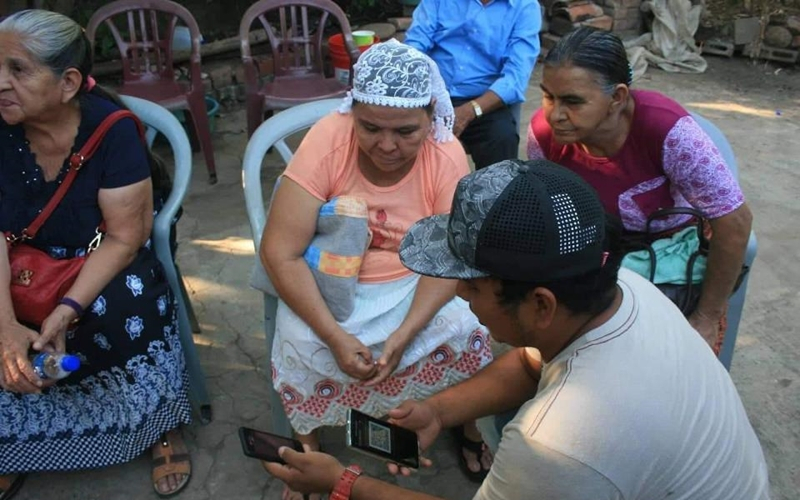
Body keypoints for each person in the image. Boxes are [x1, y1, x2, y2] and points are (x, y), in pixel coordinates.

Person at [263, 159, 771, 500]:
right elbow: (532, 364)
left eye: (473, 286)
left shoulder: (557, 441)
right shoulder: (626, 292)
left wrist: (345, 482)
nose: (460, 296)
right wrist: (438, 410)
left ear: (541, 304)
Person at [259, 39, 494, 498]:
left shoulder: (445, 153)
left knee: (469, 330)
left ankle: (465, 425)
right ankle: (306, 451)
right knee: (299, 343)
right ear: (353, 114)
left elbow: (450, 258)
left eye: (406, 131)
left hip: (417, 279)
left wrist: (404, 333)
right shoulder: (330, 138)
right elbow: (280, 251)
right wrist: (334, 335)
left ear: (431, 118)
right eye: (370, 128)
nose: (387, 146)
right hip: (332, 277)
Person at [0, 10, 192, 499]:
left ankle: (158, 424)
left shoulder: (112, 132)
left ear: (67, 83)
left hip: (98, 257)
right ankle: (18, 436)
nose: (1, 83)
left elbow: (127, 237)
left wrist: (67, 309)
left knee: (121, 306)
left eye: (17, 70)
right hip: (19, 259)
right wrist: (4, 325)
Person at [527, 27, 753, 353]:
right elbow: (547, 207)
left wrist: (706, 316)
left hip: (667, 251)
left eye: (572, 101)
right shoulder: (544, 133)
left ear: (617, 98)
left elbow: (736, 222)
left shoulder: (667, 131)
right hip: (591, 247)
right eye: (548, 95)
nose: (555, 114)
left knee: (650, 353)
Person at [404, 0, 541, 169]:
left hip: (484, 101)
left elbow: (516, 77)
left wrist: (470, 110)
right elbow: (414, 48)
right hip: (431, 93)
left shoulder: (524, 6)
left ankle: (495, 195)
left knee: (502, 138)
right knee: (400, 130)